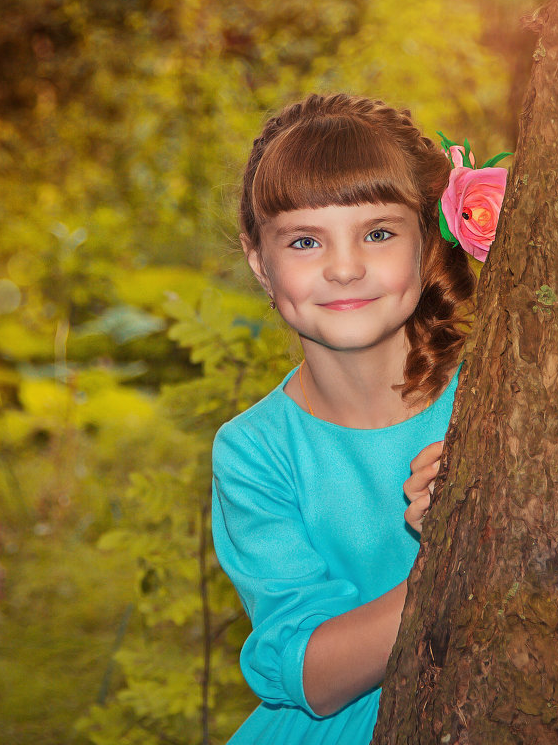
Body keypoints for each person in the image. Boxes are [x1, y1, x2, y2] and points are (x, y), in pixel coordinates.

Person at [210, 93, 507, 744]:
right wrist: (450, 555)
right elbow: (311, 674)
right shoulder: (254, 451)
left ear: (427, 239)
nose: (344, 268)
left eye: (377, 233)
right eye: (306, 240)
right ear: (260, 260)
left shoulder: (499, 401)